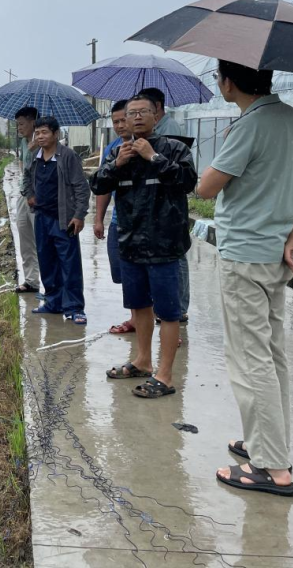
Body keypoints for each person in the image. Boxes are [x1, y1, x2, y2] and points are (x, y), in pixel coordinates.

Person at [196, 61, 293, 497]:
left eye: (219, 78)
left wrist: (228, 145)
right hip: (275, 255)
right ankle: (266, 444)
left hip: (245, 256)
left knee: (251, 360)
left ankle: (272, 468)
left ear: (229, 82)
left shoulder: (249, 126)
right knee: (272, 354)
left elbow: (206, 188)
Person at [91, 95, 196, 398]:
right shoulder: (119, 153)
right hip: (131, 243)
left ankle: (164, 375)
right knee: (139, 306)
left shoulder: (174, 149)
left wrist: (153, 157)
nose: (135, 118)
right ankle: (142, 360)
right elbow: (97, 184)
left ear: (155, 116)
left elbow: (188, 182)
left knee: (169, 312)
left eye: (142, 113)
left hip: (164, 245)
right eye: (130, 114)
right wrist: (117, 164)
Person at [23, 116, 90, 324]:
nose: (40, 137)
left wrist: (79, 215)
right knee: (47, 261)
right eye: (38, 133)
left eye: (44, 132)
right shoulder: (34, 155)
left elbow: (81, 187)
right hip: (41, 216)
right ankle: (53, 302)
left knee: (69, 263)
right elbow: (26, 176)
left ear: (56, 134)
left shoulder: (67, 156)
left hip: (63, 219)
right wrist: (29, 194)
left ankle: (75, 307)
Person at [139, 86, 191, 325]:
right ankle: (169, 307)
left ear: (157, 108)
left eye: (144, 109)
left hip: (169, 205)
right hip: (156, 205)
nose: (139, 116)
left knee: (175, 258)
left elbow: (176, 174)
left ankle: (178, 308)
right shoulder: (153, 132)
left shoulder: (169, 131)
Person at [93, 99, 133, 332]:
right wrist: (99, 218)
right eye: (115, 121)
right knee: (124, 275)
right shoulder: (112, 149)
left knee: (149, 275)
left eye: (123, 120)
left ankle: (166, 323)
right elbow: (103, 185)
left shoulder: (150, 147)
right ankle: (135, 317)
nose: (119, 125)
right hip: (119, 221)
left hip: (145, 225)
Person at [13, 106, 40, 294]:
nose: (19, 128)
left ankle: (53, 286)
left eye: (22, 124)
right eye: (17, 125)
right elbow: (23, 169)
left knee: (42, 240)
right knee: (25, 239)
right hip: (24, 195)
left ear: (33, 122)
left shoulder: (43, 141)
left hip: (39, 198)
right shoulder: (24, 143)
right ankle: (31, 280)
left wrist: (35, 151)